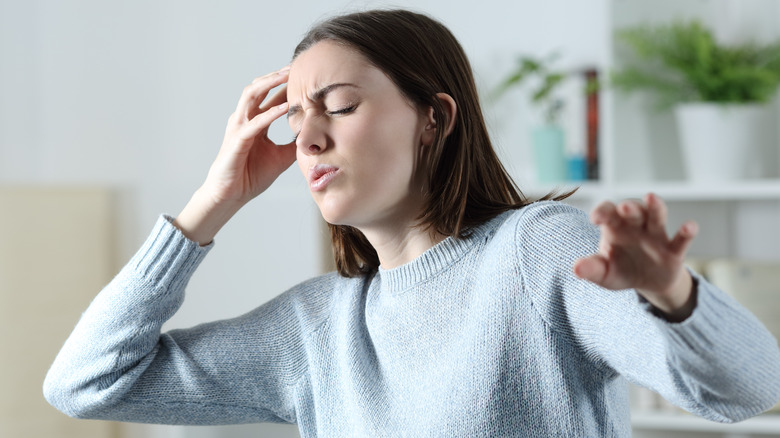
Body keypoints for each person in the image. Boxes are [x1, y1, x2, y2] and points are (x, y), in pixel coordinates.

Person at [44, 9, 780, 437]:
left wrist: (675, 298)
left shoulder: (536, 252)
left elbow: (749, 389)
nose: (307, 137)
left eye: (338, 104)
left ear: (434, 117)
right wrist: (213, 200)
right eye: (294, 118)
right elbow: (85, 384)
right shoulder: (317, 327)